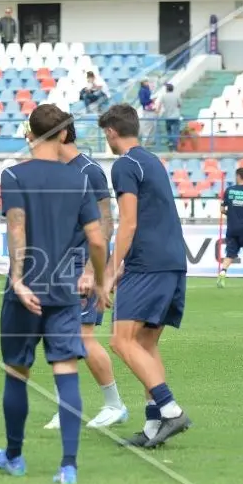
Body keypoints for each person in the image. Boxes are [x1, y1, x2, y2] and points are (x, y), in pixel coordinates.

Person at [0, 104, 110, 484]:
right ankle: (68, 466)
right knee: (66, 371)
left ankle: (14, 457)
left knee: (17, 372)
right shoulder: (79, 180)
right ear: (63, 134)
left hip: (25, 291)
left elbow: (17, 227)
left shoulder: (13, 174)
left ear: (29, 134)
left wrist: (20, 279)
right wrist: (100, 281)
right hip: (63, 291)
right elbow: (96, 238)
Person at [99, 104, 192, 449]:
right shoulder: (152, 161)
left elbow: (130, 222)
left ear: (111, 132)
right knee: (146, 343)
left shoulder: (124, 164)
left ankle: (170, 409)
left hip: (148, 263)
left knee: (120, 340)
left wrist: (109, 273)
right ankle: (155, 427)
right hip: (171, 260)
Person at [43, 112, 127, 432]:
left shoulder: (89, 171)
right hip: (59, 265)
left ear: (62, 135)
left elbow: (105, 223)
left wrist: (95, 270)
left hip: (82, 264)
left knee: (83, 337)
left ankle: (114, 404)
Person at [217, 167, 243, 289]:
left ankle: (223, 272)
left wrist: (231, 214)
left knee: (230, 254)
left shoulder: (229, 191)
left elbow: (222, 210)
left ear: (237, 176)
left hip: (231, 227)